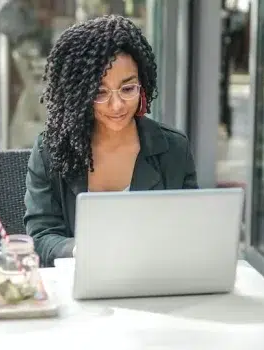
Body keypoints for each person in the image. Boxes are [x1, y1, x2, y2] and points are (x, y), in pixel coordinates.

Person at [23, 15, 198, 267]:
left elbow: (190, 231)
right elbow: (40, 237)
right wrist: (79, 249)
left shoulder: (173, 149)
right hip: (79, 284)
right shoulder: (51, 149)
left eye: (128, 89)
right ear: (79, 95)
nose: (116, 106)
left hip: (156, 280)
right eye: (100, 92)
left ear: (143, 86)